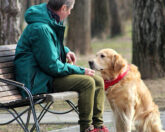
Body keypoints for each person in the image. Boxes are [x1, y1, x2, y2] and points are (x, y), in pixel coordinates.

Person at [14, 0, 109, 132]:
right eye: (70, 9)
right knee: (87, 82)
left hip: (44, 75)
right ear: (63, 8)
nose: (70, 13)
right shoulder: (41, 28)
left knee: (97, 80)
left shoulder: (48, 20)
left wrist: (65, 51)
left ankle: (98, 126)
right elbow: (52, 65)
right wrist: (80, 70)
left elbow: (48, 47)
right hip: (36, 82)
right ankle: (86, 128)